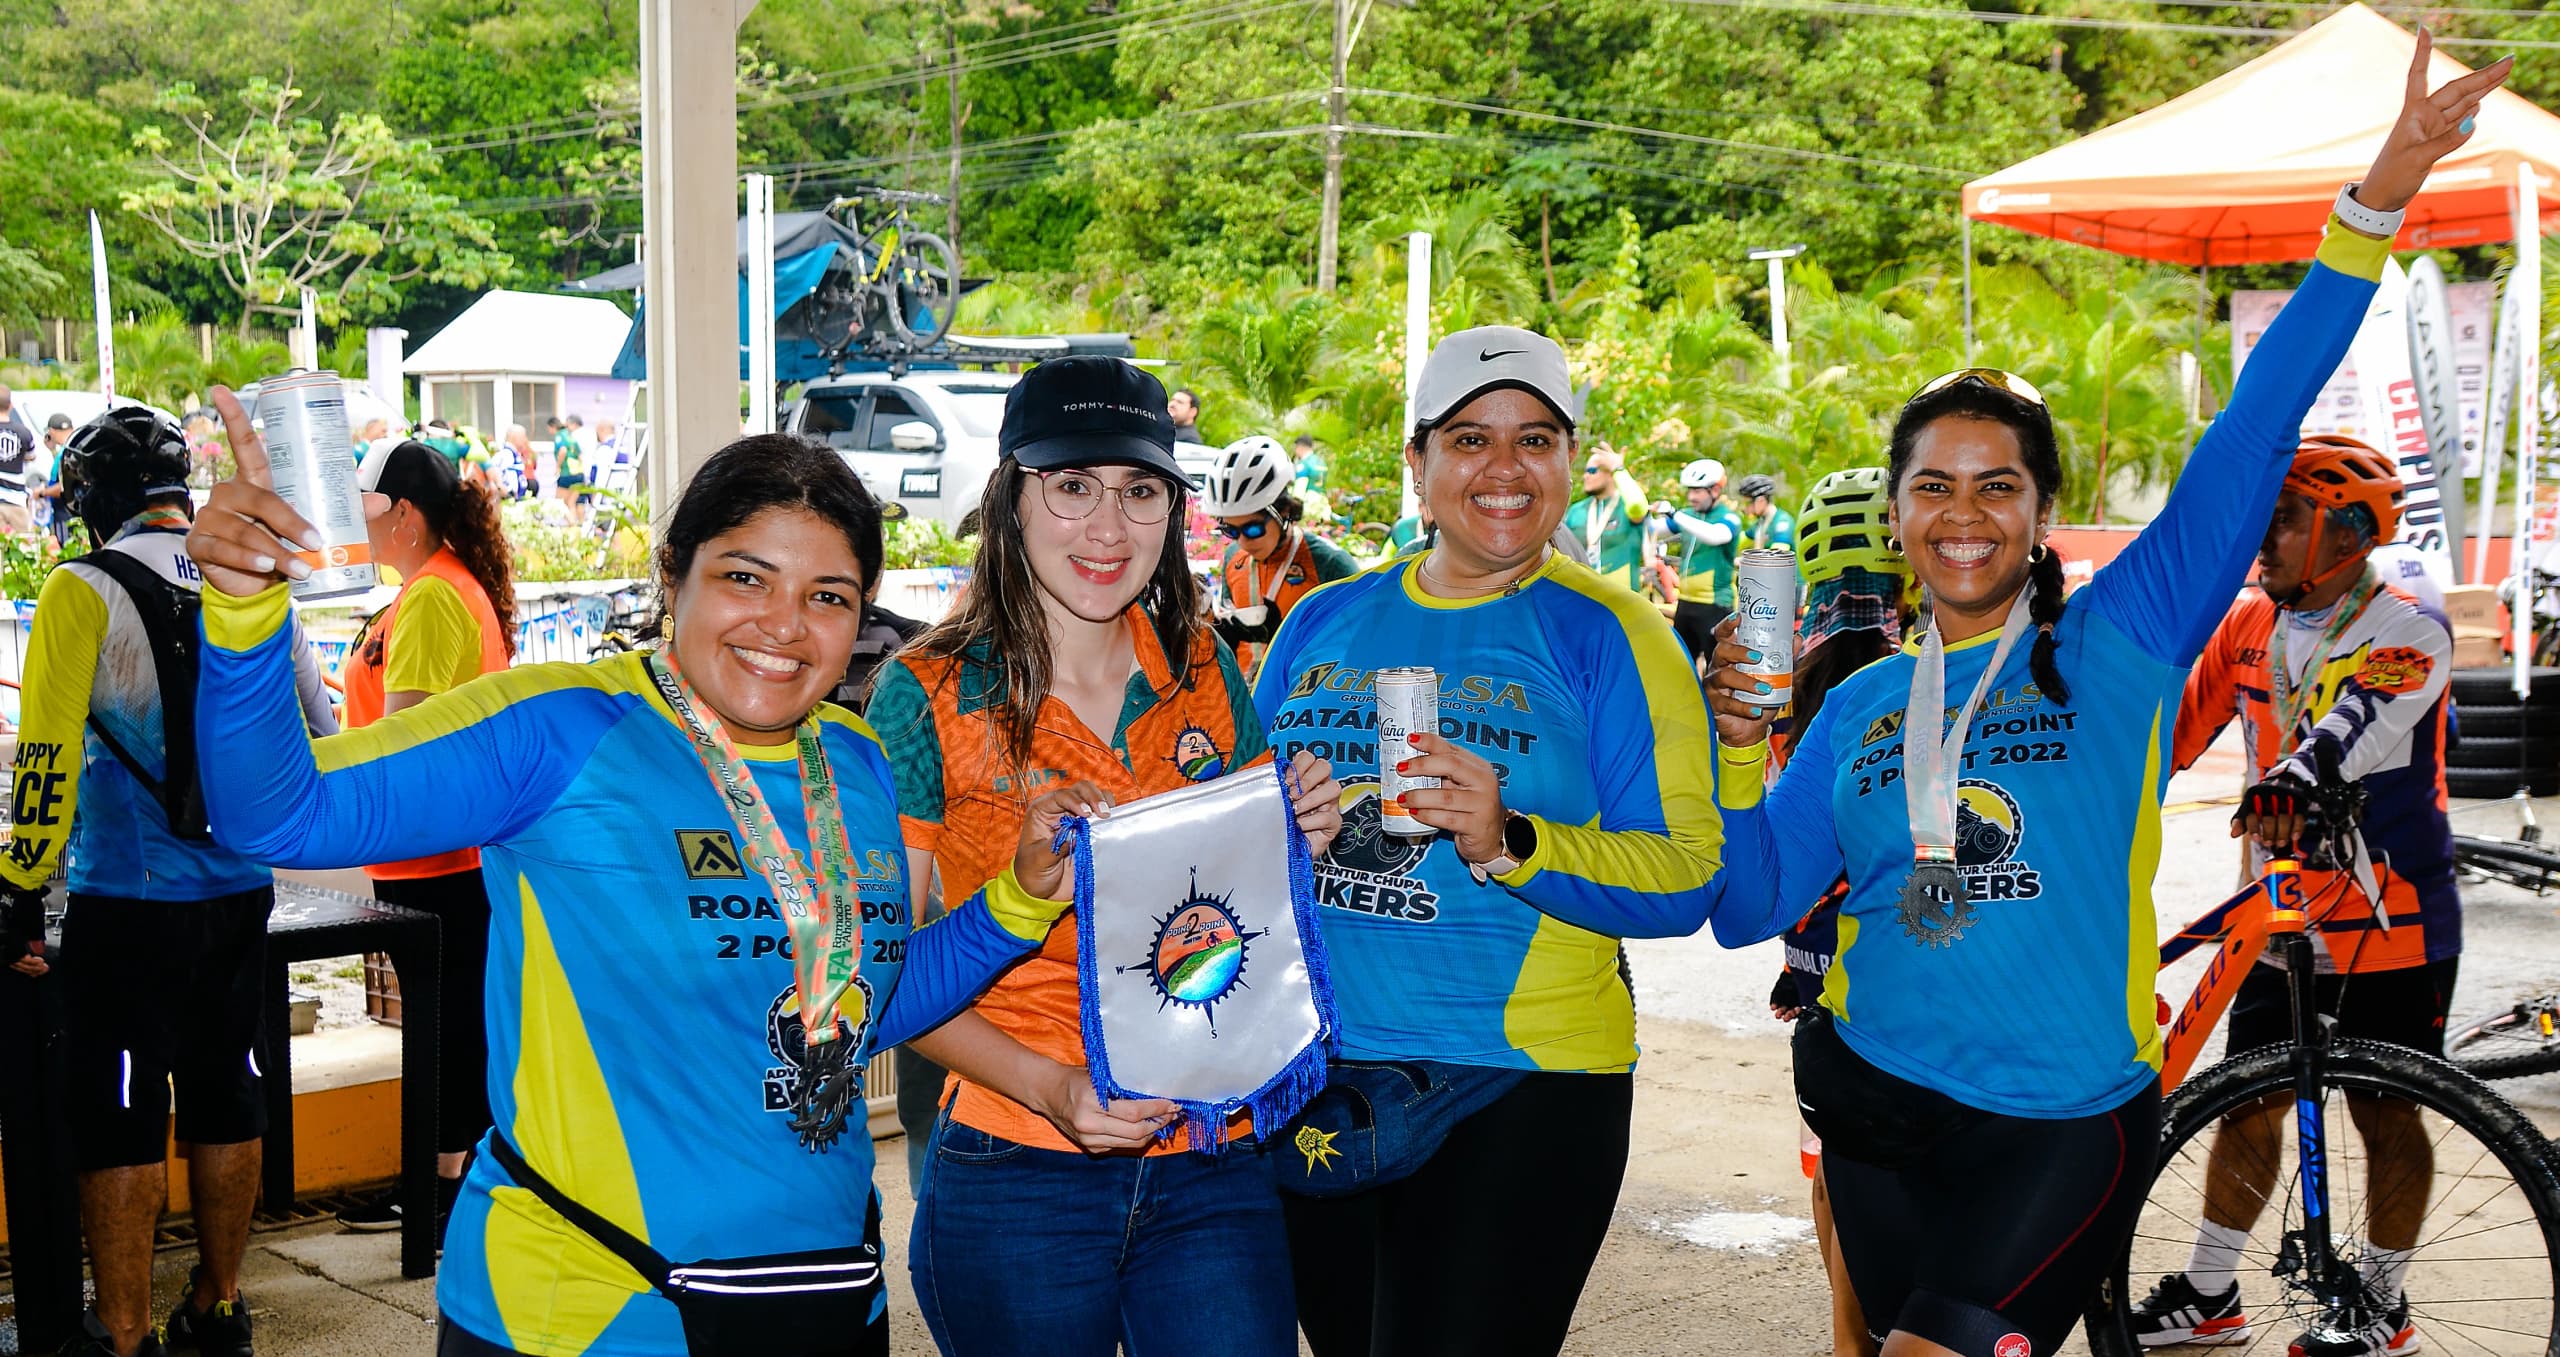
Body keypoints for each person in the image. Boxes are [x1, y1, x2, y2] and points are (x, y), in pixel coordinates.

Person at [1698, 52, 2500, 1357]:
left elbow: (2256, 421)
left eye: (1998, 483)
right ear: (1898, 519)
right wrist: (1737, 754)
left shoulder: (2119, 640)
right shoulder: (1860, 706)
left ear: (2038, 512)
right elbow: (1741, 906)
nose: (1965, 511)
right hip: (1877, 1111)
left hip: (2059, 1122)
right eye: (1935, 485)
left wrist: (2381, 195)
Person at [187, 399, 1100, 1357]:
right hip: (584, 1309)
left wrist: (1018, 898)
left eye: (828, 595)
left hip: (826, 1301)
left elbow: (873, 998)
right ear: (676, 576)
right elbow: (273, 813)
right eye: (746, 577)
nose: (784, 627)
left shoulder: (859, 762)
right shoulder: (561, 730)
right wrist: (246, 609)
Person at [1254, 325, 1721, 1356]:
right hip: (1319, 1069)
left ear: (1569, 460)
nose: (1504, 468)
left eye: (1536, 439)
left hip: (1521, 1086)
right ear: (1416, 465)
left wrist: (1513, 838)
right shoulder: (1319, 620)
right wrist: (1279, 830)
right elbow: (1231, 841)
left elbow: (1686, 877)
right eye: (1469, 440)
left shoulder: (1612, 631)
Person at [866, 356, 1342, 1357]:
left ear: (1174, 507)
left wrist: (1299, 838)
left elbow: (1244, 915)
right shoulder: (926, 693)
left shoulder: (1204, 664)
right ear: (1010, 499)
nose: (1108, 528)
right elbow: (886, 982)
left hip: (1209, 1151)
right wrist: (1051, 1089)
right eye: (1071, 486)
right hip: (1015, 1165)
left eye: (1139, 491)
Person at [1, 406, 339, 1357]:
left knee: (121, 1111)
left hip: (127, 906)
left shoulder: (83, 586)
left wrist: (20, 890)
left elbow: (45, 762)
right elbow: (319, 728)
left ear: (95, 503)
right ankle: (220, 1306)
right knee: (229, 1090)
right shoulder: (252, 576)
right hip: (241, 897)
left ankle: (120, 1332)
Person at [2135, 436, 2459, 1357]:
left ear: (2348, 529)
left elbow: (2349, 726)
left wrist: (2294, 775)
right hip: (2275, 922)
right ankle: (2208, 1290)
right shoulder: (2247, 628)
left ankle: (2380, 1304)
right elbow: (2167, 741)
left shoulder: (2408, 631)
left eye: (2282, 519)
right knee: (2247, 1105)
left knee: (2385, 1111)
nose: (2261, 538)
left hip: (2393, 927)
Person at [326, 440, 520, 1237]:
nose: (360, 528)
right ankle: (436, 1180)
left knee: (445, 1024)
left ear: (403, 513)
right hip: (432, 851)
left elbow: (404, 740)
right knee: (445, 1019)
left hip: (440, 854)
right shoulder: (430, 590)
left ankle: (441, 1188)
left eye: (367, 511)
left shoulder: (438, 596)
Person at [1762, 465, 1910, 1357]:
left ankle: (1850, 1340)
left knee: (1835, 1168)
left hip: (1816, 958)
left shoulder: (1788, 669)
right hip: (1918, 956)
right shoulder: (1943, 654)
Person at [1203, 434, 1362, 677]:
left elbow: (1361, 644)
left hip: (1304, 701)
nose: (1243, 541)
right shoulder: (1233, 556)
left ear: (1285, 511)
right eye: (1230, 530)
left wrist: (1290, 637)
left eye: (1253, 528)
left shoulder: (1329, 563)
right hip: (1244, 699)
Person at [1658, 458, 1745, 666]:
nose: (1691, 497)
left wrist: (1674, 514)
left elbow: (1715, 536)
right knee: (1680, 665)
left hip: (1714, 605)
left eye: (1697, 491)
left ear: (1715, 490)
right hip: (1686, 603)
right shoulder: (1688, 515)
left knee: (1716, 666)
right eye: (1690, 490)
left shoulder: (1729, 517)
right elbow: (1655, 529)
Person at [1560, 443, 1649, 592]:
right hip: (1583, 597)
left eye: (1592, 470)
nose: (1585, 476)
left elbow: (1637, 505)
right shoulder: (1577, 510)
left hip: (1623, 602)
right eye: (1585, 471)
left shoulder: (1626, 505)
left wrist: (1619, 469)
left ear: (1610, 474)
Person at [34, 411, 75, 543]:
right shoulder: (70, 449)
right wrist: (51, 450)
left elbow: (63, 486)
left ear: (52, 431)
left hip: (65, 514)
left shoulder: (66, 452)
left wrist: (42, 492)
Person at [0, 385, 36, 534]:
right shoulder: (24, 432)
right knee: (23, 549)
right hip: (17, 499)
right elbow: (31, 456)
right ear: (11, 406)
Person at [1736, 472, 1795, 549]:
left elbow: (1778, 554)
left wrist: (1745, 561)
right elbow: (1736, 542)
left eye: (1747, 503)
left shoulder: (1782, 522)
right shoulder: (1760, 523)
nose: (1744, 508)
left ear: (1760, 501)